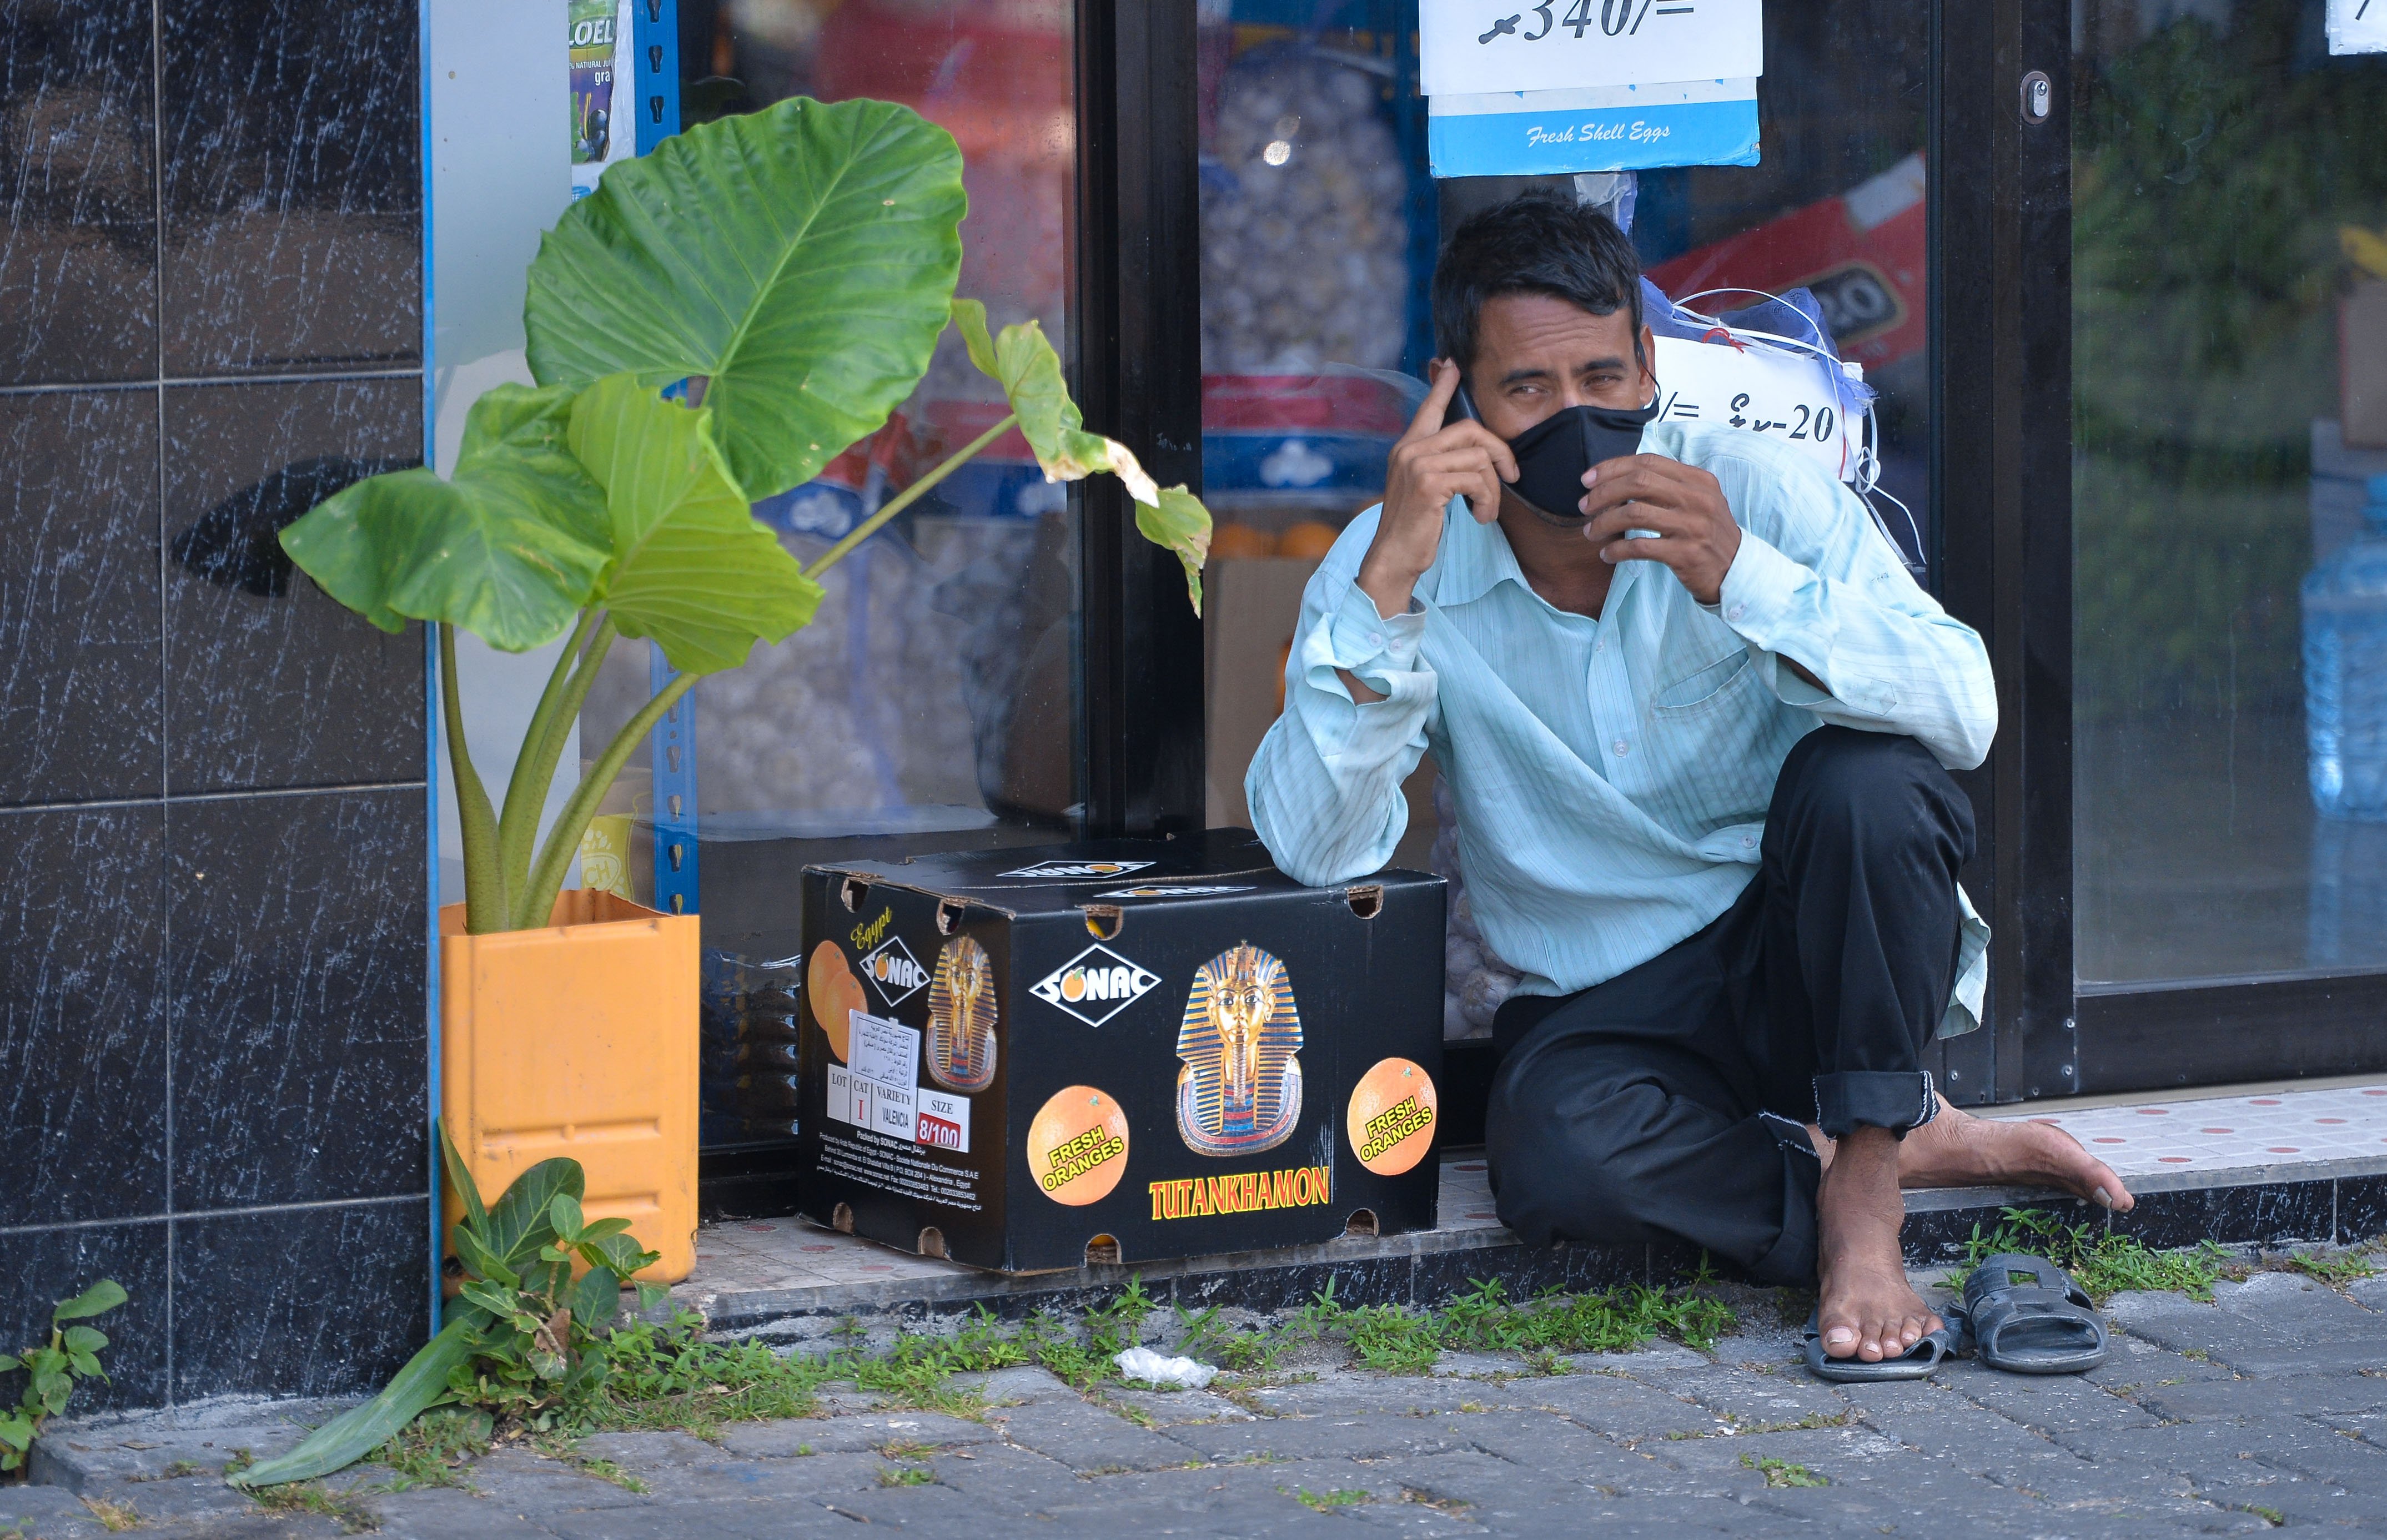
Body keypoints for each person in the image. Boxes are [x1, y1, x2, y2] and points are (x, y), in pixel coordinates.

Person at [1245, 194, 2133, 1366]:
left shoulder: (1751, 493)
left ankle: (1868, 1188)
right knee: (1557, 1161)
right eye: (1527, 389)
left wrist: (1741, 577)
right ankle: (1853, 1157)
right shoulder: (1398, 556)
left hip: (1797, 954)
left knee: (1871, 781)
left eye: (1603, 378)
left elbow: (1963, 711)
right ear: (1459, 399)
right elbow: (1316, 847)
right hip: (1603, 997)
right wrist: (1388, 592)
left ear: (1649, 369)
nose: (1576, 417)